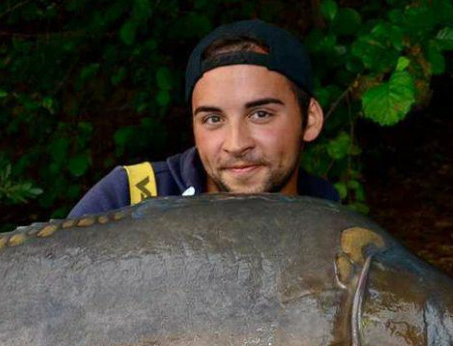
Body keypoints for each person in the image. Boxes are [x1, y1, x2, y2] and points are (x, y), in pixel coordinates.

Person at [68, 19, 338, 219]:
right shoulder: (128, 197)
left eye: (260, 114)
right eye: (213, 119)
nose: (236, 144)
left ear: (310, 119)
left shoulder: (337, 235)